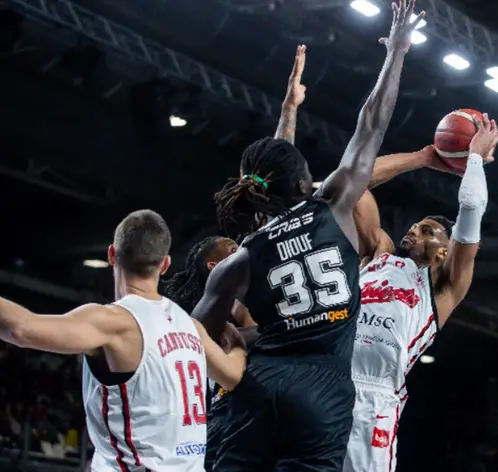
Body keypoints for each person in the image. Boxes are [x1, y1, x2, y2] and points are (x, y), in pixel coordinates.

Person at [190, 2, 425, 470]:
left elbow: (193, 333)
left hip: (259, 386)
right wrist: (396, 51)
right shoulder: (332, 207)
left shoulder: (245, 255)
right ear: (307, 185)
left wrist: (238, 346)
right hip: (324, 393)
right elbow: (371, 126)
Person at [0, 209, 247, 471]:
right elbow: (233, 375)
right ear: (164, 265)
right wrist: (238, 344)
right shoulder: (192, 327)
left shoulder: (114, 322)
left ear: (111, 254)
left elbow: (21, 329)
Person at [343, 114, 498, 472]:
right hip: (326, 376)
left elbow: (472, 207)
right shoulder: (377, 255)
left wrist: (474, 157)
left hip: (375, 398)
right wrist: (425, 157)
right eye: (414, 225)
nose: (413, 230)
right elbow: (354, 183)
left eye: (426, 230)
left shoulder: (444, 287)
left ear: (445, 251)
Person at [162, 235, 252, 471]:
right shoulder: (202, 316)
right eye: (234, 249)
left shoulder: (242, 301)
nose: (242, 252)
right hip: (213, 419)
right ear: (213, 266)